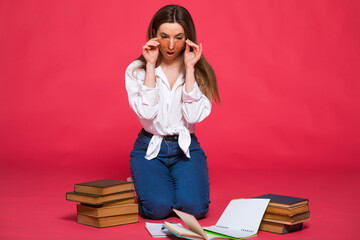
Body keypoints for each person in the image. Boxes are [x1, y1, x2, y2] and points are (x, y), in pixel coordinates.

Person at [125, 4, 220, 220]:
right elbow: (147, 114)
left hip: (185, 148)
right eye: (164, 36)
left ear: (188, 38)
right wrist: (150, 65)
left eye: (178, 37)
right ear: (154, 35)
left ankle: (159, 183)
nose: (170, 45)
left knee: (195, 210)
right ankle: (143, 183)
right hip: (150, 147)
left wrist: (189, 69)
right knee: (157, 210)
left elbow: (194, 116)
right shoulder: (136, 70)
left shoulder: (198, 72)